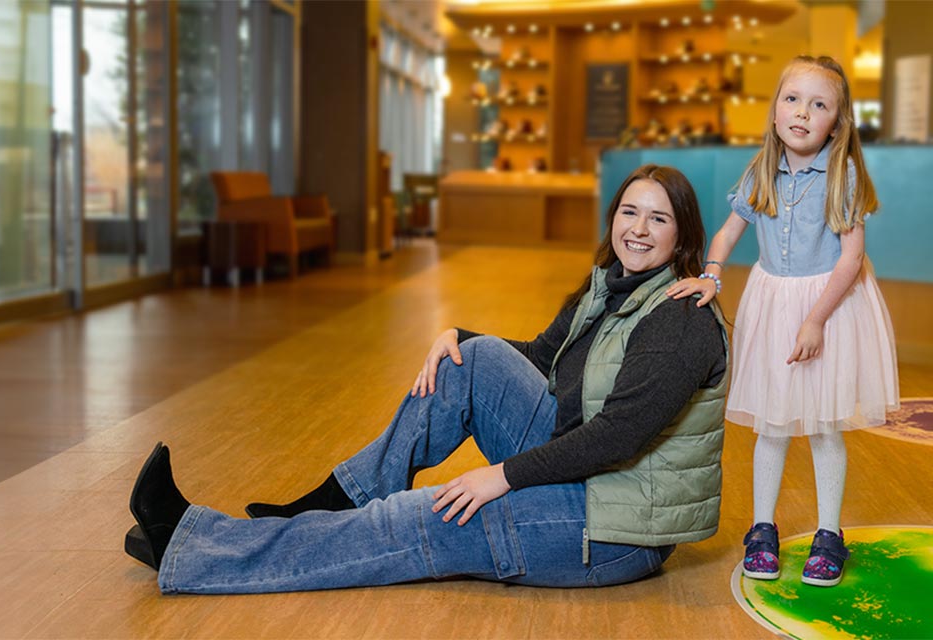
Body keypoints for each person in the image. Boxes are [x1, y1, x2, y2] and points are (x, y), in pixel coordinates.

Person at [124, 164, 729, 594]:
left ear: (683, 238)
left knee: (416, 520)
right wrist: (457, 340)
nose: (639, 230)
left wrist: (501, 476)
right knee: (476, 359)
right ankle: (336, 502)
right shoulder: (608, 287)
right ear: (613, 216)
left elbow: (617, 438)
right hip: (578, 474)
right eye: (630, 212)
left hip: (613, 526)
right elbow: (540, 357)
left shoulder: (679, 317)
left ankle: (196, 547)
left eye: (659, 219)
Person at [667, 56, 899, 588]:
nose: (802, 113)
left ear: (837, 123)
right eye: (792, 99)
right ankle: (762, 529)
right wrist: (711, 273)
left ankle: (828, 535)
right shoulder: (759, 172)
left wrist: (816, 320)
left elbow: (851, 259)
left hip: (828, 306)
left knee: (822, 427)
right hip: (772, 305)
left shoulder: (844, 173)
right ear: (774, 111)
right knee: (772, 425)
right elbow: (727, 233)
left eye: (819, 105)